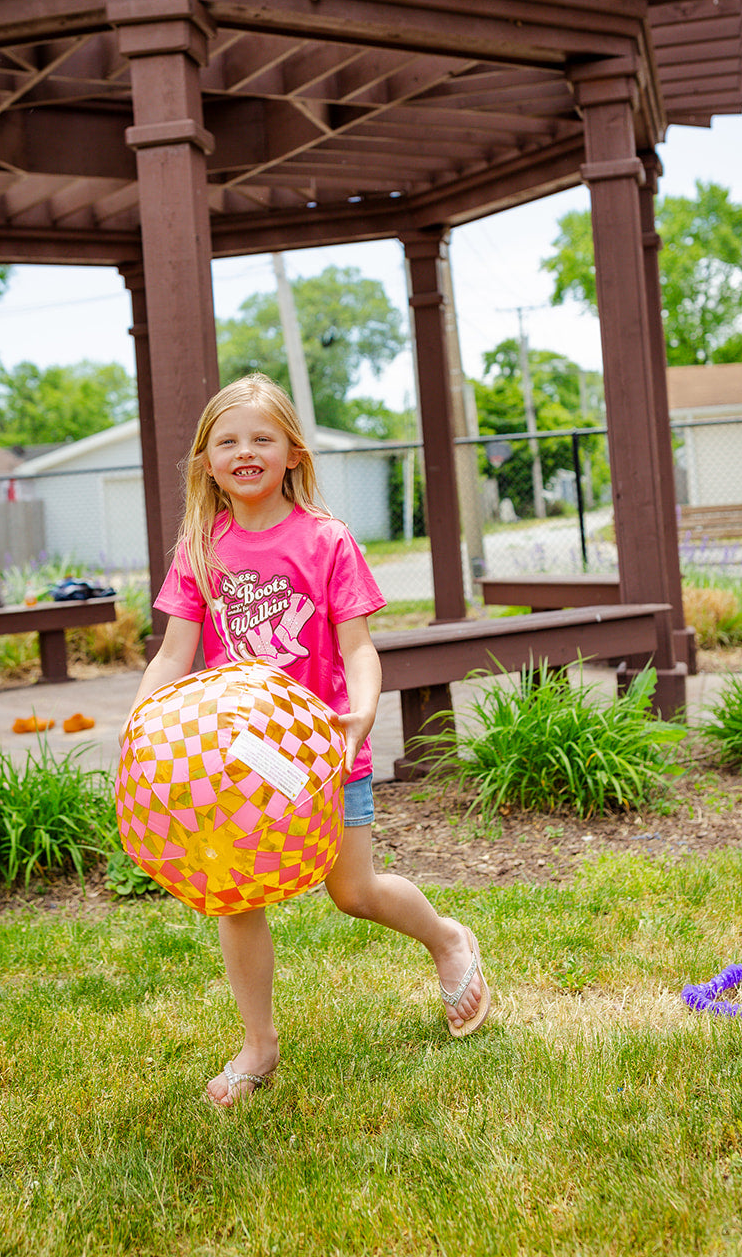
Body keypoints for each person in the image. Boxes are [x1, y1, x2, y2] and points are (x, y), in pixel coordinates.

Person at [124, 372, 490, 1106]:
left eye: (262, 439)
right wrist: (140, 730)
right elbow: (173, 654)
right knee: (233, 897)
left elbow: (358, 648)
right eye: (228, 442)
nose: (245, 452)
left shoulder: (326, 541)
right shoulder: (201, 548)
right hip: (236, 763)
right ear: (206, 463)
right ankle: (259, 1044)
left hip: (323, 753)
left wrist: (362, 710)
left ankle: (447, 939)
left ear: (293, 453)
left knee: (353, 891)